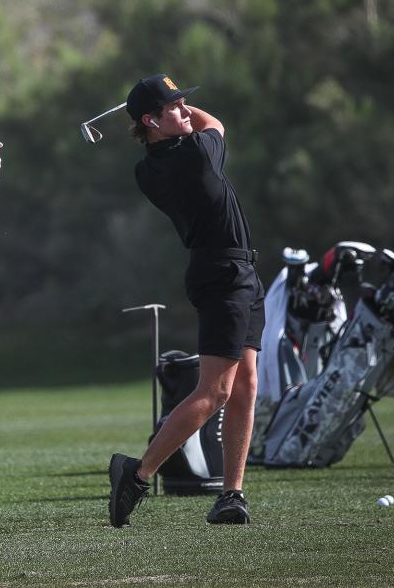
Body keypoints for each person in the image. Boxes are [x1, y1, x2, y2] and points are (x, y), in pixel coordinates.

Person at [108, 74, 264, 526]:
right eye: (174, 106)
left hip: (238, 271)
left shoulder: (149, 167)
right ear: (150, 120)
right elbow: (214, 122)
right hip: (223, 274)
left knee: (246, 384)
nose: (185, 111)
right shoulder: (196, 152)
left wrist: (167, 106)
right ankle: (136, 474)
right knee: (215, 389)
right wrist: (179, 110)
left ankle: (231, 493)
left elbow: (191, 124)